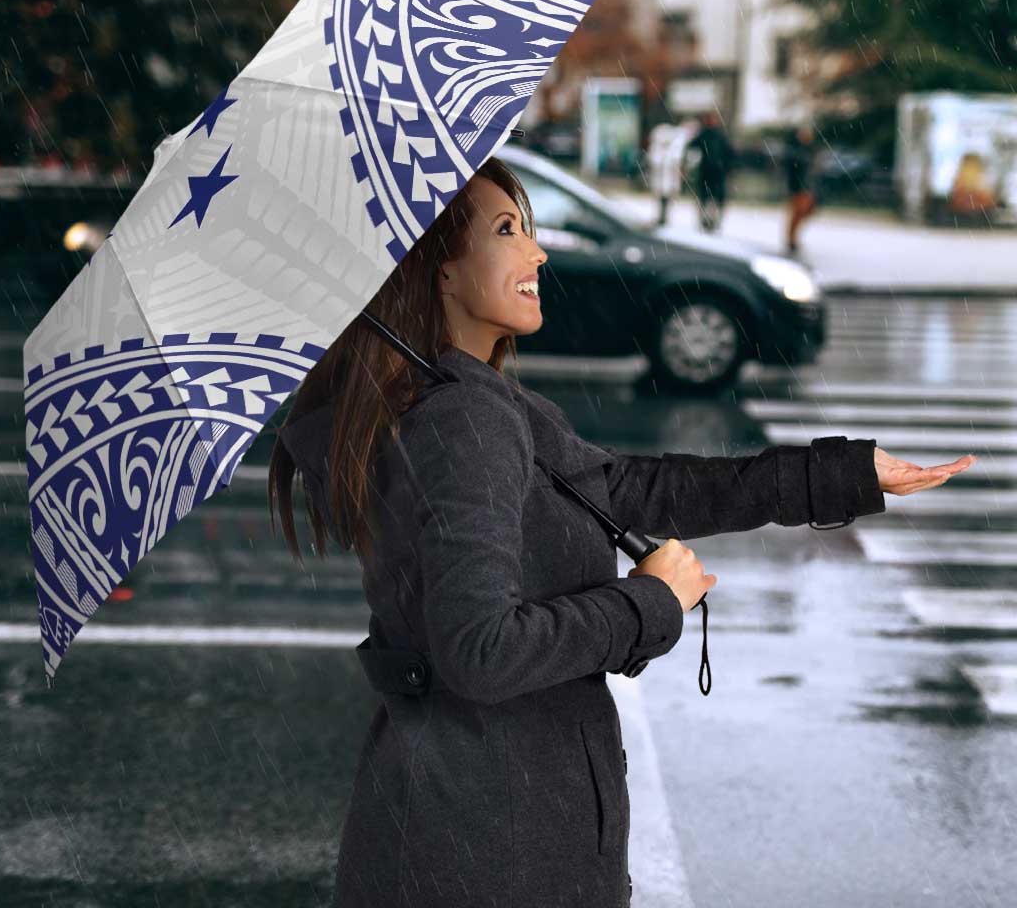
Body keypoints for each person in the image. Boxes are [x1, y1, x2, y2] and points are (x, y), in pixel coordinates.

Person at [268, 156, 974, 908]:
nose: (538, 252)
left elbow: (632, 490)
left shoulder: (461, 402)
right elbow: (481, 652)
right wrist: (649, 603)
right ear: (439, 268)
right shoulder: (464, 420)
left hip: (466, 826)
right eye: (507, 231)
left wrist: (842, 475)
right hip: (494, 848)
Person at [685, 110, 735, 233]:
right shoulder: (707, 135)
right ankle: (706, 221)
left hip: (715, 173)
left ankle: (712, 221)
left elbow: (729, 154)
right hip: (709, 172)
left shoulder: (717, 136)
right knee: (707, 198)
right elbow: (691, 147)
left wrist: (728, 168)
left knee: (712, 199)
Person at [783, 123, 819, 254]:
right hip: (798, 187)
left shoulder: (809, 150)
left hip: (807, 187)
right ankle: (791, 239)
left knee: (805, 211)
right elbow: (792, 170)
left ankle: (792, 238)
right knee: (797, 213)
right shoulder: (795, 151)